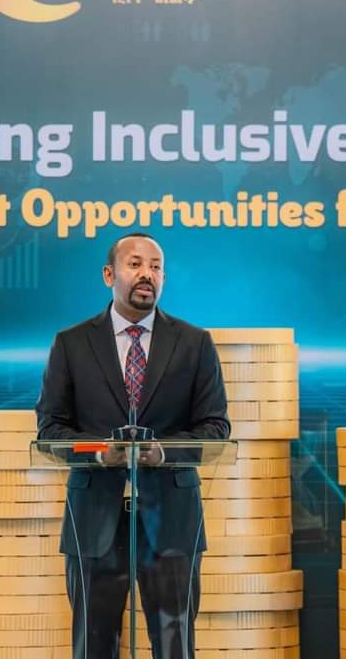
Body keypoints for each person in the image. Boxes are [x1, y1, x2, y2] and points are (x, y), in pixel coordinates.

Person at [35, 232, 231, 659]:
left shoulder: (194, 343)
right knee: (95, 644)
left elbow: (215, 428)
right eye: (136, 264)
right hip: (94, 518)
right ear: (109, 274)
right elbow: (50, 430)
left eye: (156, 267)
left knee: (175, 644)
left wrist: (161, 452)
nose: (147, 274)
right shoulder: (71, 343)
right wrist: (99, 452)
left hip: (172, 518)